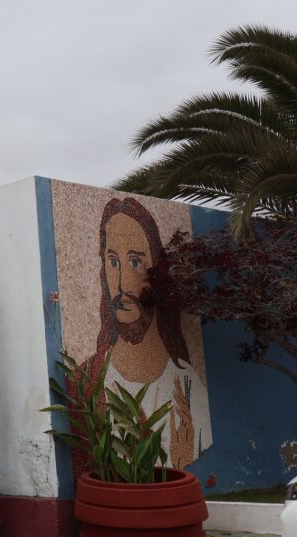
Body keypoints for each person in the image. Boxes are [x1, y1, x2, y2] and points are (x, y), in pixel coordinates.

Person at [79, 197, 212, 470]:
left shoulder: (187, 386)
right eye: (113, 262)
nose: (122, 283)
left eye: (136, 263)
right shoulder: (84, 381)